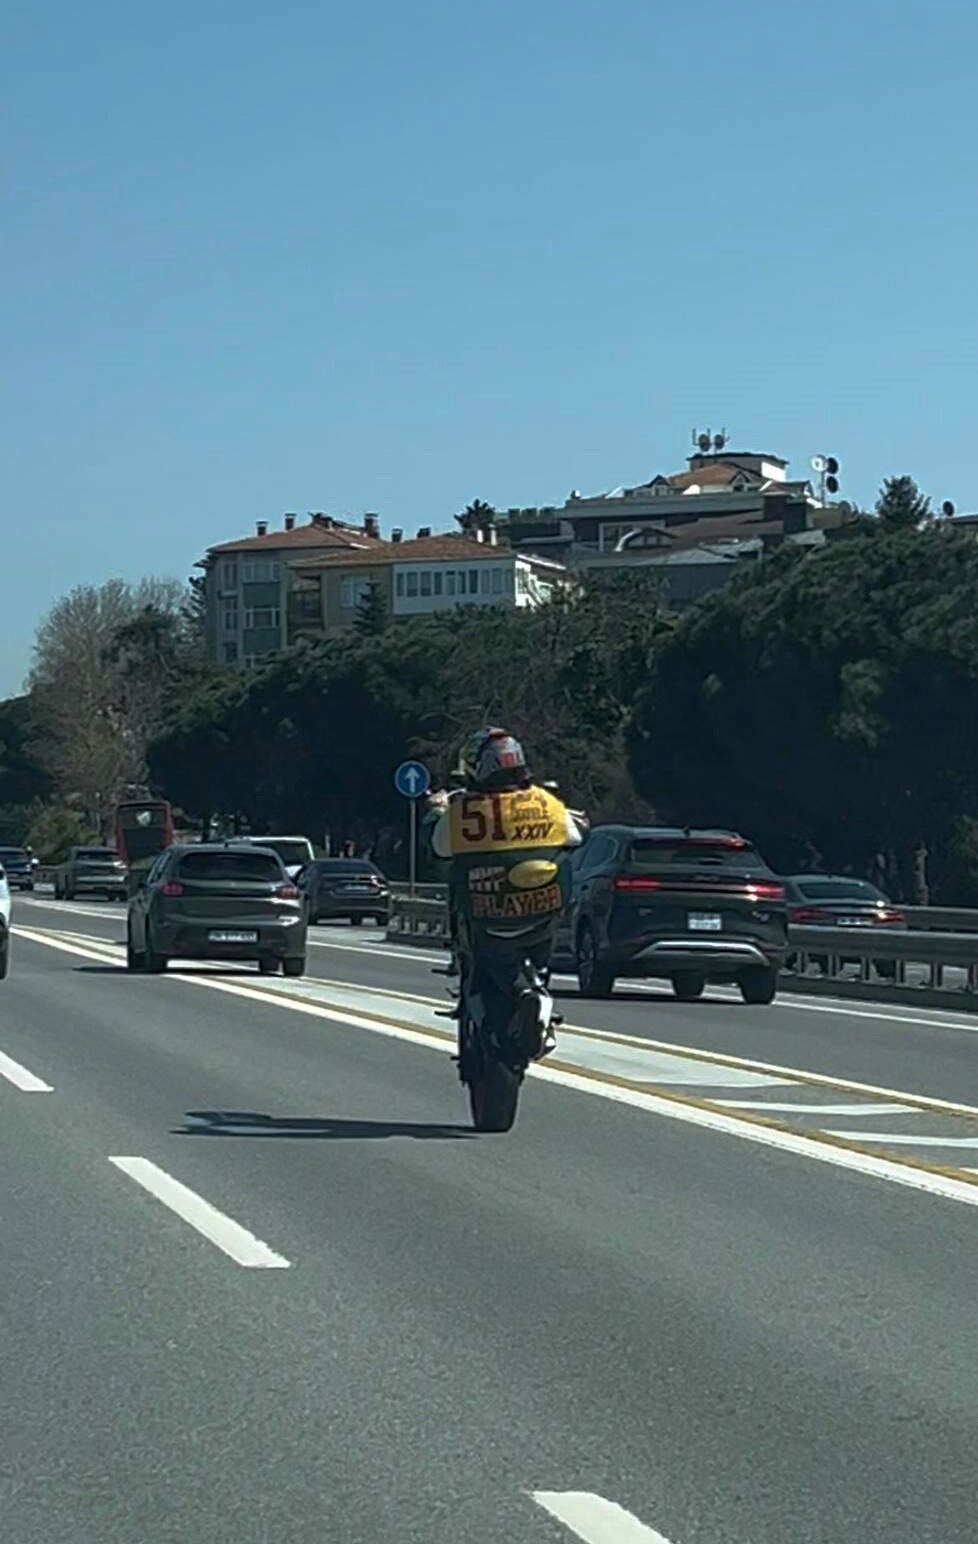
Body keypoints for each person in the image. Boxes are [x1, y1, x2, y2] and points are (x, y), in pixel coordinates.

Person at [429, 727, 585, 1056]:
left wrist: (440, 811)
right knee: (539, 957)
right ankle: (537, 993)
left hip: (488, 915)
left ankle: (521, 1000)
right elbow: (575, 837)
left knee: (489, 959)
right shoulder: (546, 802)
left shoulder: (462, 810)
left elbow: (440, 849)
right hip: (544, 912)